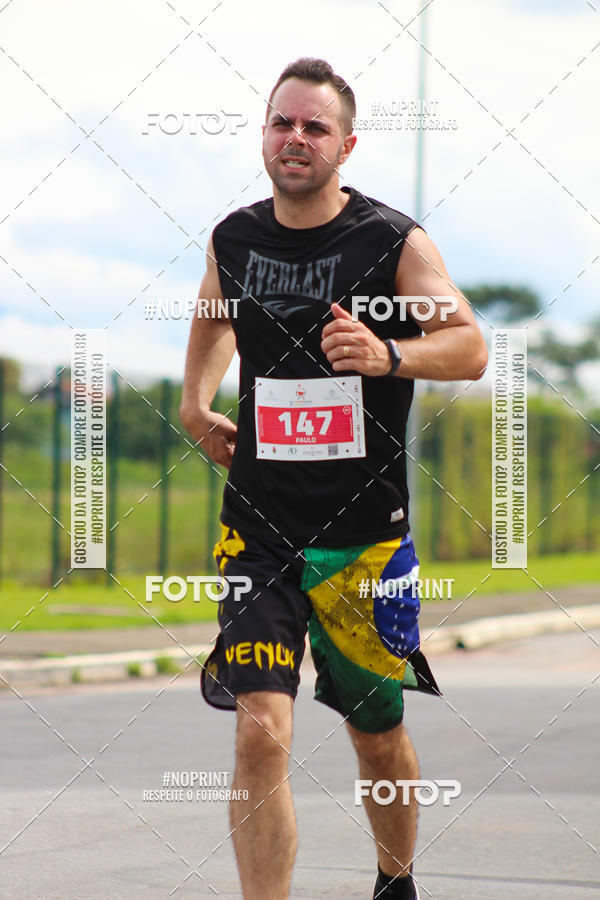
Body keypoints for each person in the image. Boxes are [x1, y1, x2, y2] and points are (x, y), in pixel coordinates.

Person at [180, 57, 488, 900]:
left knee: (375, 733)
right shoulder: (234, 239)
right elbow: (214, 315)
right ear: (264, 135)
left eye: (315, 127)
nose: (296, 138)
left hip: (363, 540)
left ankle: (395, 880)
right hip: (259, 529)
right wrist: (195, 403)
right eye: (282, 122)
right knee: (259, 729)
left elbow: (470, 346)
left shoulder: (390, 240)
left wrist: (388, 354)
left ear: (345, 146)